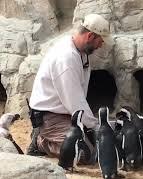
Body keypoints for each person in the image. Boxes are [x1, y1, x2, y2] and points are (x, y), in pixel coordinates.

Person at [26, 14, 112, 164]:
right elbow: (73, 100)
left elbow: (76, 99)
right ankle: (40, 142)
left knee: (97, 140)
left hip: (65, 111)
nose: (101, 45)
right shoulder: (66, 58)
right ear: (90, 36)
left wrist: (91, 125)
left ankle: (51, 136)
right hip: (50, 116)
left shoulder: (79, 50)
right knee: (84, 154)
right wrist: (94, 126)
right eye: (101, 40)